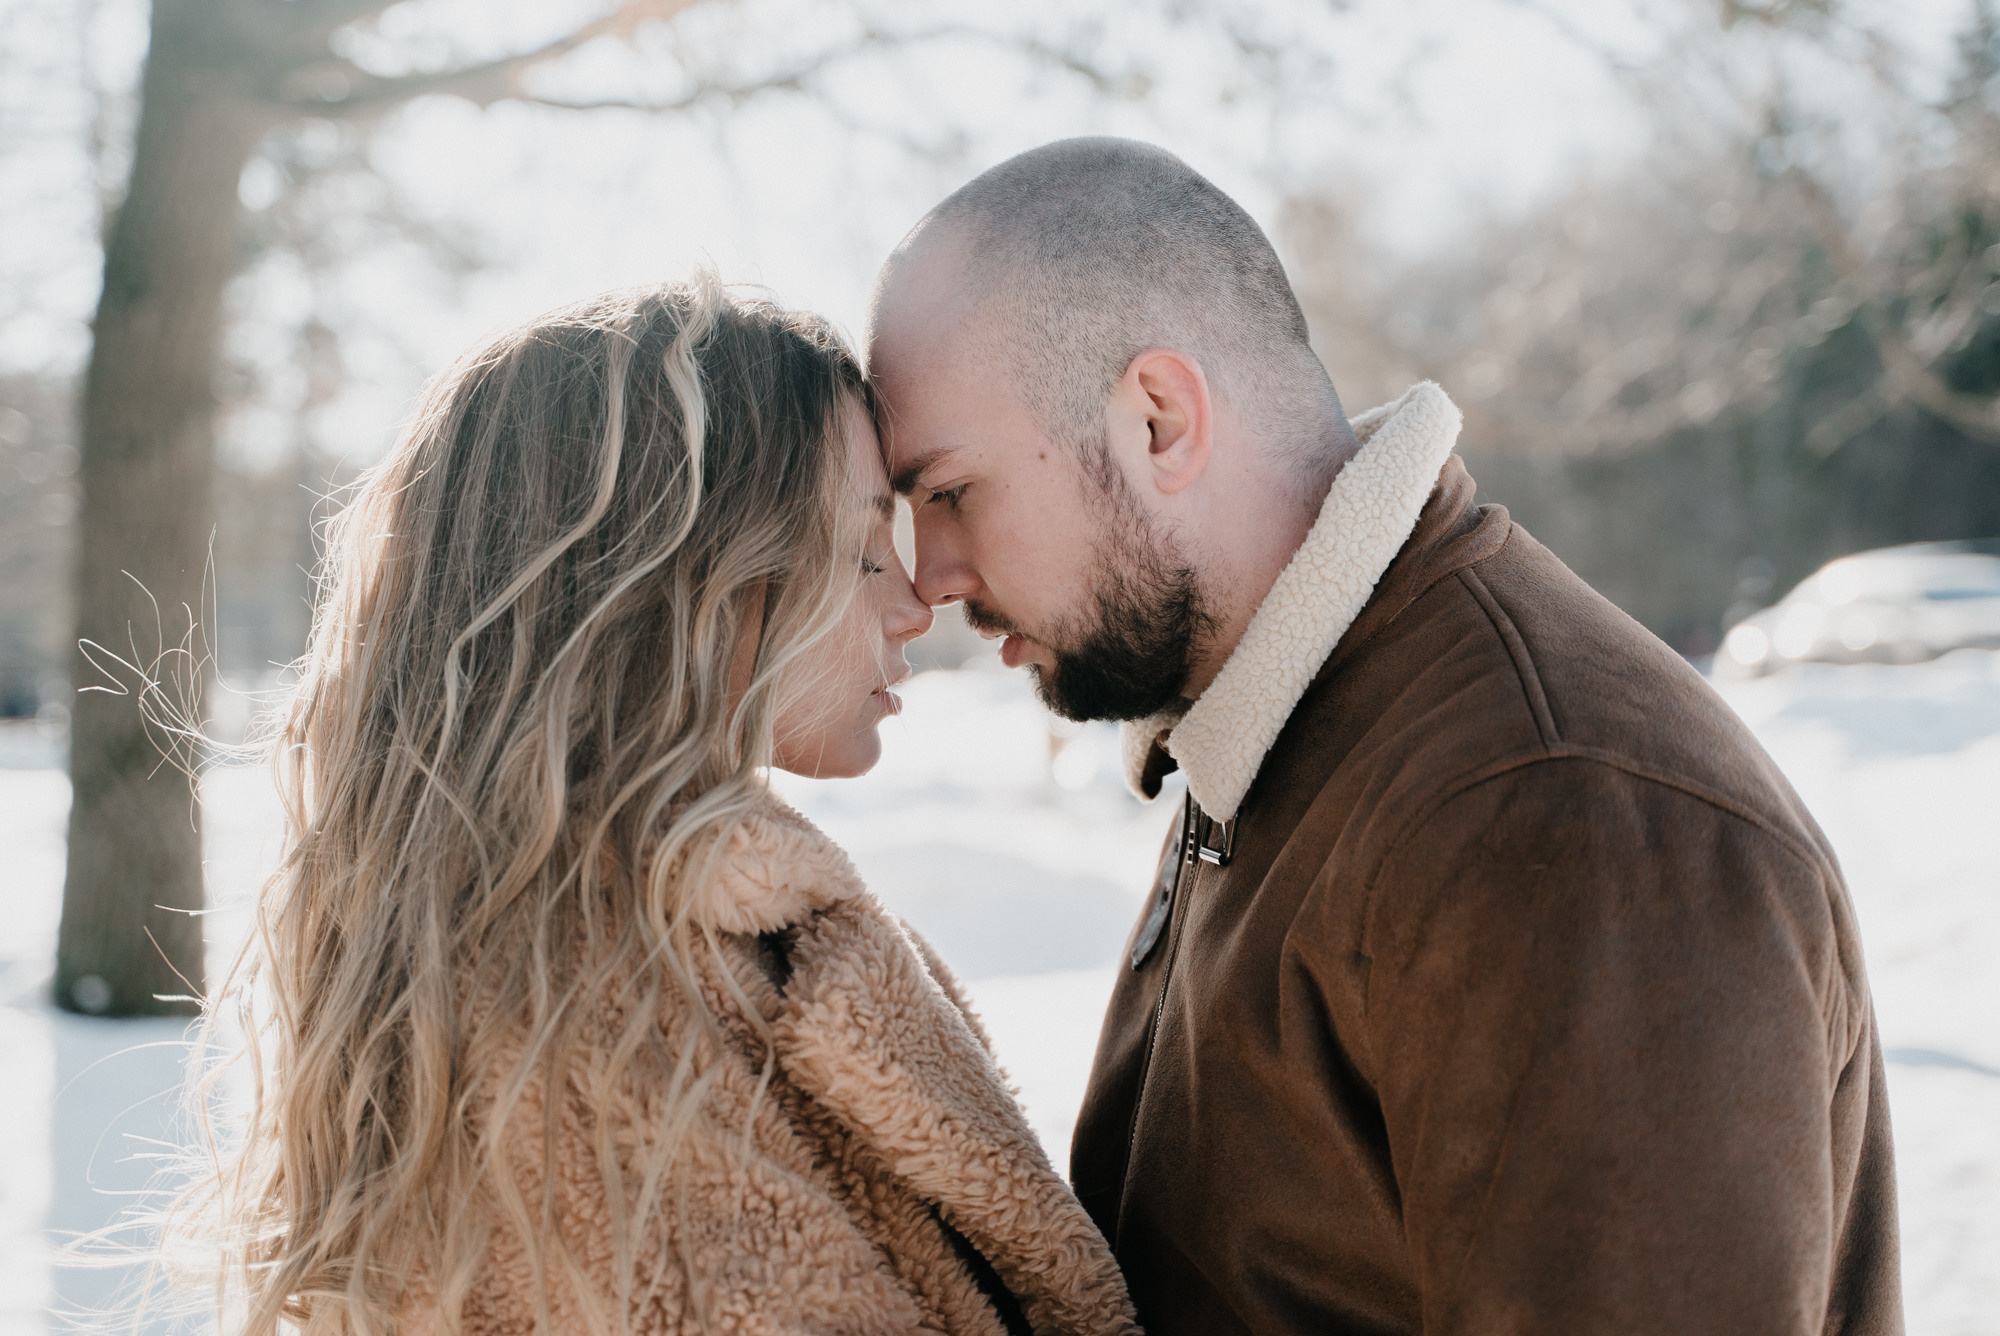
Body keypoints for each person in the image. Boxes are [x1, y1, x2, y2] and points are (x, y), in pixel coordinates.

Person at [868, 138, 1902, 1336]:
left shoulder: (1552, 812)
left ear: (1156, 420)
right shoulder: (1285, 727)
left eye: (947, 490)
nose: (930, 576)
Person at [175, 279, 1140, 1336]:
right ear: (679, 583)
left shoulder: (627, 942)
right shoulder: (603, 1018)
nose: (914, 604)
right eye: (865, 549)